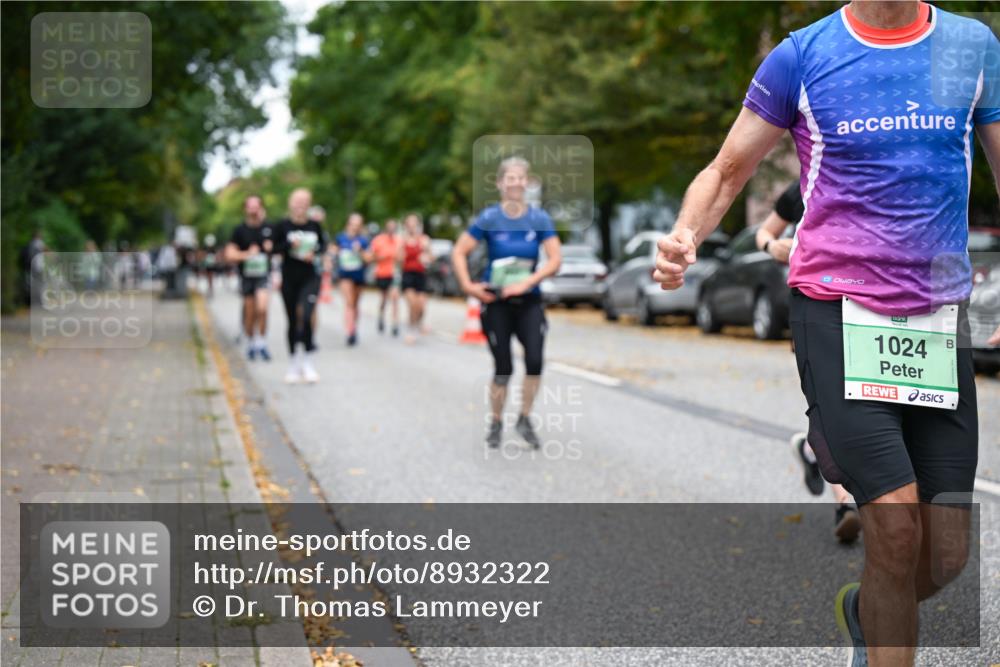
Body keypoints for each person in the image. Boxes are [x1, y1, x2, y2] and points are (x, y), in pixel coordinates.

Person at [653, 3, 999, 665]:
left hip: (937, 317)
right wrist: (684, 235)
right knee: (895, 531)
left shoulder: (972, 46)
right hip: (837, 312)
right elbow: (727, 169)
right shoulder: (803, 56)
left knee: (946, 555)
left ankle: (867, 611)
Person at [756, 182, 860, 544]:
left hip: (875, 306)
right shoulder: (802, 186)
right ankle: (846, 504)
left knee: (872, 406)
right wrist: (772, 246)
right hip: (816, 309)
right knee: (834, 408)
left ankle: (811, 450)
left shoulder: (882, 174)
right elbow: (765, 232)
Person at [452, 156, 562, 450]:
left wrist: (527, 282)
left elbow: (555, 259)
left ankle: (524, 418)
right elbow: (459, 251)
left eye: (520, 178)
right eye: (510, 178)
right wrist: (468, 286)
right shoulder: (489, 218)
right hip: (497, 302)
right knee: (503, 367)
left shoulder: (539, 219)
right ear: (500, 183)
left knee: (535, 362)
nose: (516, 183)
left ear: (528, 182)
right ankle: (496, 421)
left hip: (529, 301)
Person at [271, 189, 327, 384]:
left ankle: (308, 361)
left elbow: (323, 246)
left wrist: (315, 252)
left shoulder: (314, 225)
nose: (300, 205)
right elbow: (273, 248)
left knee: (307, 315)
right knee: (293, 320)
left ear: (309, 204)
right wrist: (289, 245)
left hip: (310, 277)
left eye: (304, 201)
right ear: (290, 203)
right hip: (289, 278)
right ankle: (294, 363)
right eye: (297, 201)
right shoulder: (282, 226)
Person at [224, 194, 274, 361]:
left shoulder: (269, 228)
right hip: (247, 276)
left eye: (256, 206)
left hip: (264, 275)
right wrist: (247, 254)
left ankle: (262, 342)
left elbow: (281, 247)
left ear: (261, 208)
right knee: (250, 312)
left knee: (263, 308)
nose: (253, 209)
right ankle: (252, 342)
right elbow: (229, 254)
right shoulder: (239, 230)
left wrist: (271, 248)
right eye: (250, 206)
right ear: (245, 209)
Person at [332, 213, 372, 346]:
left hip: (359, 275)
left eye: (358, 225)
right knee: (349, 302)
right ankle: (350, 332)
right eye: (353, 224)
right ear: (348, 224)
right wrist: (334, 253)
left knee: (355, 304)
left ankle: (354, 328)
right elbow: (332, 251)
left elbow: (369, 259)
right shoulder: (340, 238)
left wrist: (360, 251)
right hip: (344, 274)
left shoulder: (363, 240)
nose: (355, 227)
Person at [399, 213, 432, 344]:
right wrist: (402, 251)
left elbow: (431, 258)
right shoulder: (402, 240)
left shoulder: (424, 239)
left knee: (421, 307)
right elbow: (397, 259)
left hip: (421, 275)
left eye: (414, 223)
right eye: (410, 223)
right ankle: (411, 329)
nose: (412, 226)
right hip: (408, 275)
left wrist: (426, 251)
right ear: (406, 226)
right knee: (412, 304)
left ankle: (418, 322)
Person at [370, 219, 401, 336]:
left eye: (394, 227)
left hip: (394, 274)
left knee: (395, 297)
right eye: (390, 227)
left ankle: (395, 324)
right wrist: (382, 257)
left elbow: (402, 256)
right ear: (386, 228)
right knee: (384, 298)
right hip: (382, 273)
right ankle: (381, 316)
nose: (392, 229)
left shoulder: (399, 240)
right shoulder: (378, 240)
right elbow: (372, 257)